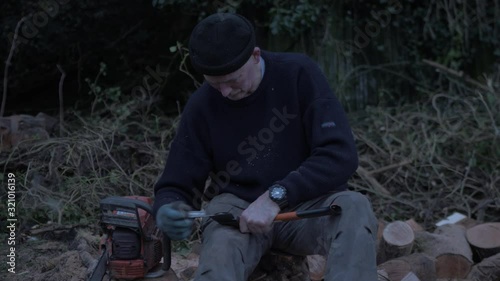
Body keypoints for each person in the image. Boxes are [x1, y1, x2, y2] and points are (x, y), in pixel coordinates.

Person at [153, 13, 378, 281]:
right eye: (215, 83)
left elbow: (340, 155)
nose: (224, 92)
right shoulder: (202, 106)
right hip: (238, 214)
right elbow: (176, 184)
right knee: (221, 249)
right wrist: (169, 208)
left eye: (232, 80)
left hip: (303, 210)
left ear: (256, 56)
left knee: (354, 206)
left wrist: (275, 196)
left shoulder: (298, 75)